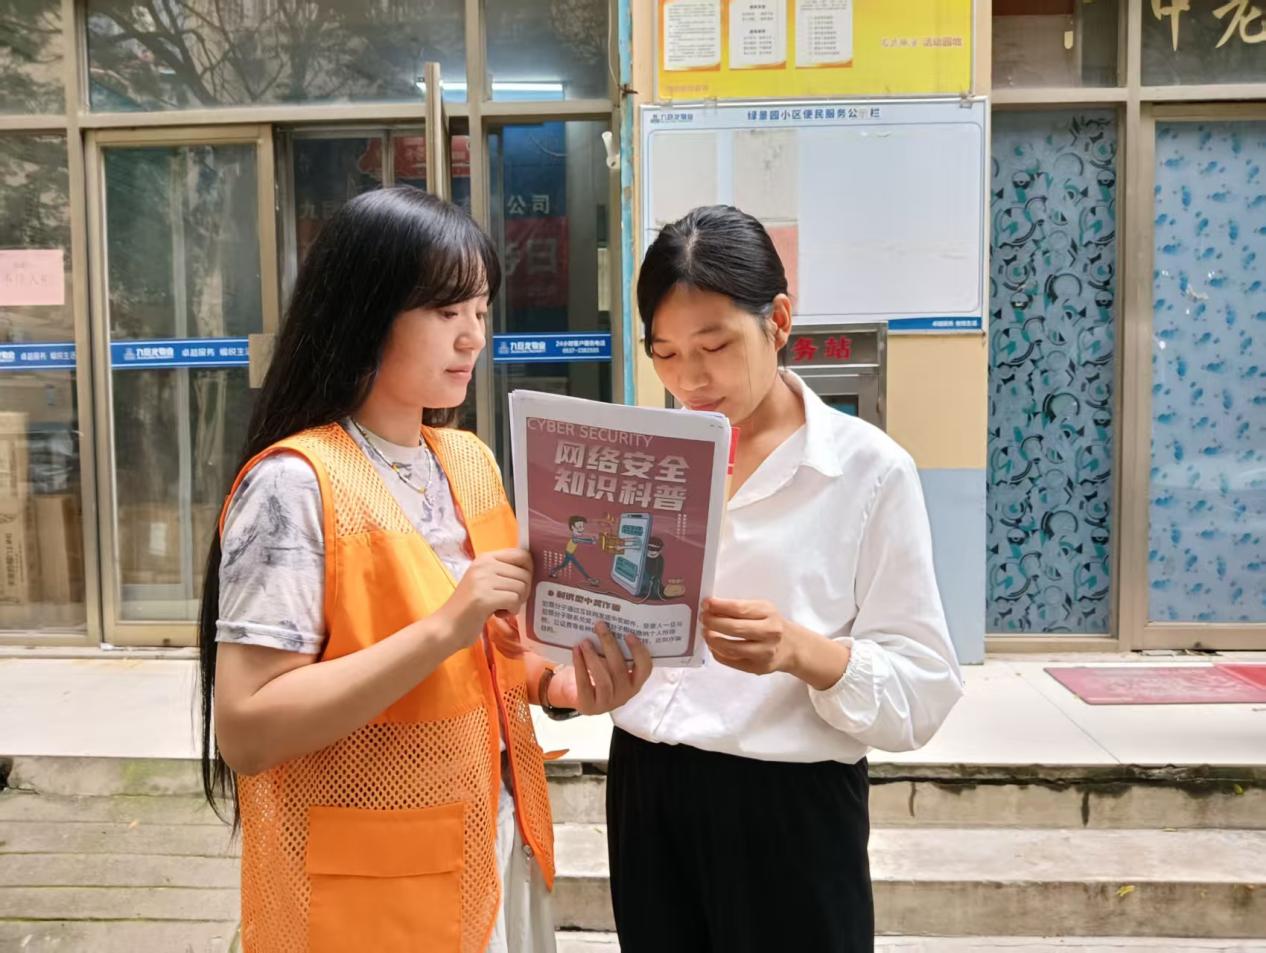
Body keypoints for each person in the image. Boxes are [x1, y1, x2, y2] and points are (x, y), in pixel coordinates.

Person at [196, 187, 650, 953]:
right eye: (445, 312)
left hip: (499, 846)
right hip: (367, 891)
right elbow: (246, 729)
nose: (473, 337)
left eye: (480, 310)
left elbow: (495, 651)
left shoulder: (468, 460)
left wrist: (556, 685)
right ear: (364, 311)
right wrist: (444, 627)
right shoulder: (292, 484)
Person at [607, 205, 964, 953]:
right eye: (665, 353)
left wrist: (802, 651)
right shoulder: (645, 457)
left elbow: (924, 689)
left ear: (777, 320)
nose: (690, 378)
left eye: (715, 346)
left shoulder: (866, 470)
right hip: (645, 788)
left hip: (786, 806)